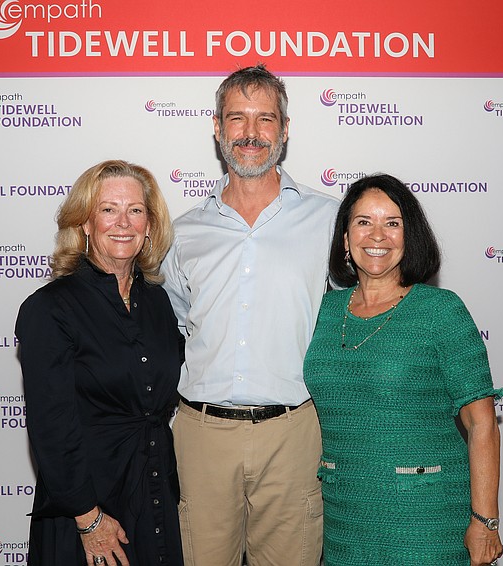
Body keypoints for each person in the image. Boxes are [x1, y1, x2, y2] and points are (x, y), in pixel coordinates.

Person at [160, 64, 339, 566]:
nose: (251, 133)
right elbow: (174, 324)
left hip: (294, 433)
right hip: (201, 434)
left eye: (266, 119)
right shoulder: (185, 231)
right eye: (237, 118)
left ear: (285, 129)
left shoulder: (329, 220)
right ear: (217, 128)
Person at [302, 173, 503, 566]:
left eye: (392, 223)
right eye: (363, 222)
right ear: (345, 239)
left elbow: (482, 424)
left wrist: (485, 521)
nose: (377, 235)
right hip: (345, 520)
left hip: (426, 522)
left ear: (409, 238)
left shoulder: (441, 311)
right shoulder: (323, 311)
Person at [15, 160, 184, 566]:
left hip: (155, 494)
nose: (123, 222)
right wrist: (89, 521)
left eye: (136, 210)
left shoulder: (159, 303)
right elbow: (51, 428)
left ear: (149, 224)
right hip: (88, 507)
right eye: (108, 209)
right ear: (85, 224)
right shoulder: (50, 309)